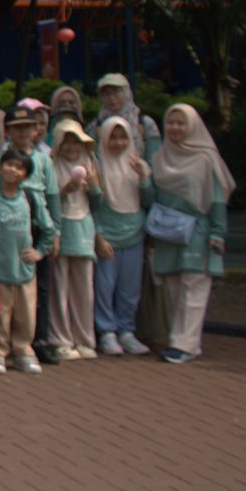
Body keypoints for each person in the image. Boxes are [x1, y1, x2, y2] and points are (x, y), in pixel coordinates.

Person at [149, 104, 231, 364]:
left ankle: (185, 344)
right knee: (173, 287)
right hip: (167, 230)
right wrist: (142, 178)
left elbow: (217, 198)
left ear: (193, 126)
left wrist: (217, 232)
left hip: (197, 230)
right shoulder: (160, 157)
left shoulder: (206, 159)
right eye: (171, 122)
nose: (175, 127)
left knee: (194, 285)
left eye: (181, 123)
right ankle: (179, 340)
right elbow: (152, 197)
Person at [0, 150, 58, 375]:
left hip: (24, 270)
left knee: (26, 315)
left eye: (19, 167)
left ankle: (23, 352)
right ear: (0, 168)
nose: (13, 170)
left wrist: (40, 252)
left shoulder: (31, 199)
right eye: (9, 164)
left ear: (25, 175)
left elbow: (48, 228)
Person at [92, 117, 155, 356]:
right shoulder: (97, 167)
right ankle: (106, 332)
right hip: (108, 234)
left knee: (130, 288)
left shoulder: (138, 165)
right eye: (113, 138)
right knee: (105, 286)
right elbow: (93, 207)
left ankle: (126, 331)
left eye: (123, 138)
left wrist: (144, 178)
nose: (118, 143)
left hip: (134, 233)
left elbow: (148, 201)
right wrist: (98, 236)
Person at [47, 120, 101, 360]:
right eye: (66, 142)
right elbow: (47, 201)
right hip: (61, 227)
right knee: (59, 287)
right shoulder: (51, 164)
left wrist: (94, 188)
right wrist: (64, 190)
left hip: (83, 226)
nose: (71, 147)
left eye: (76, 142)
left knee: (84, 287)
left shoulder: (90, 162)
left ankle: (85, 339)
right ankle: (60, 339)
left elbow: (98, 202)